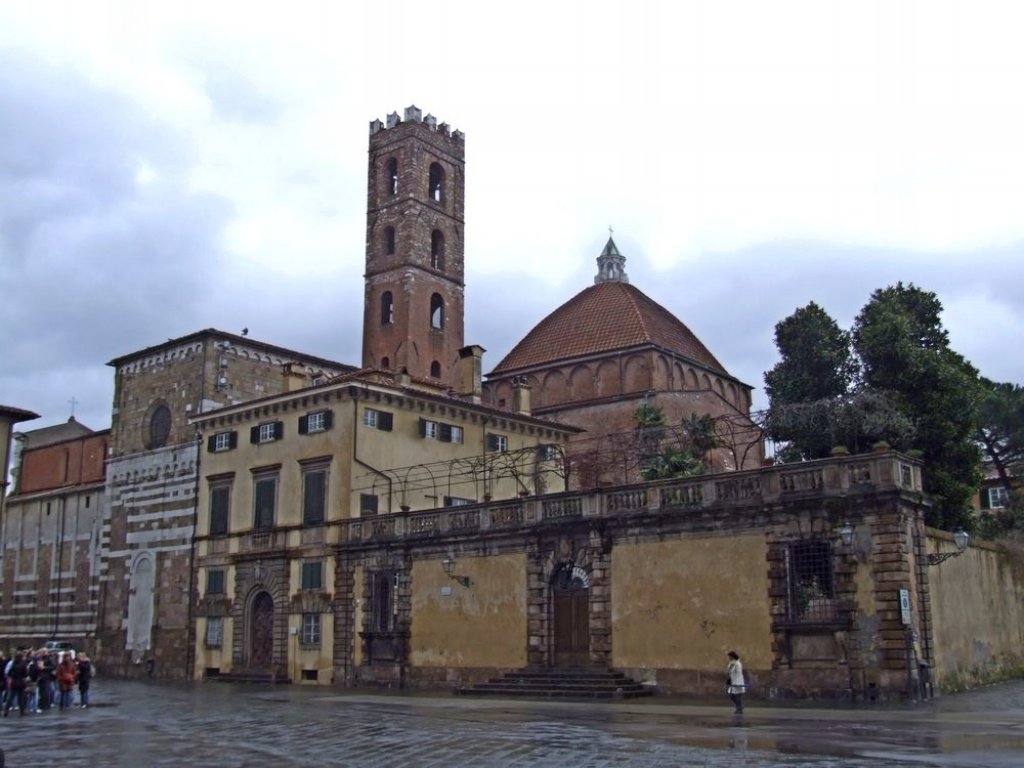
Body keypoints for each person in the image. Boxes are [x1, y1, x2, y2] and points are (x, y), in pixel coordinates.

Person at [726, 650, 745, 714]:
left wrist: (738, 683)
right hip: (732, 682)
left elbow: (739, 674)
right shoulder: (731, 663)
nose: (729, 658)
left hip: (737, 682)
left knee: (737, 696)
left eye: (729, 656)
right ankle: (739, 707)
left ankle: (739, 709)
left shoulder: (738, 664)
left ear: (732, 656)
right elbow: (729, 671)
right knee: (731, 695)